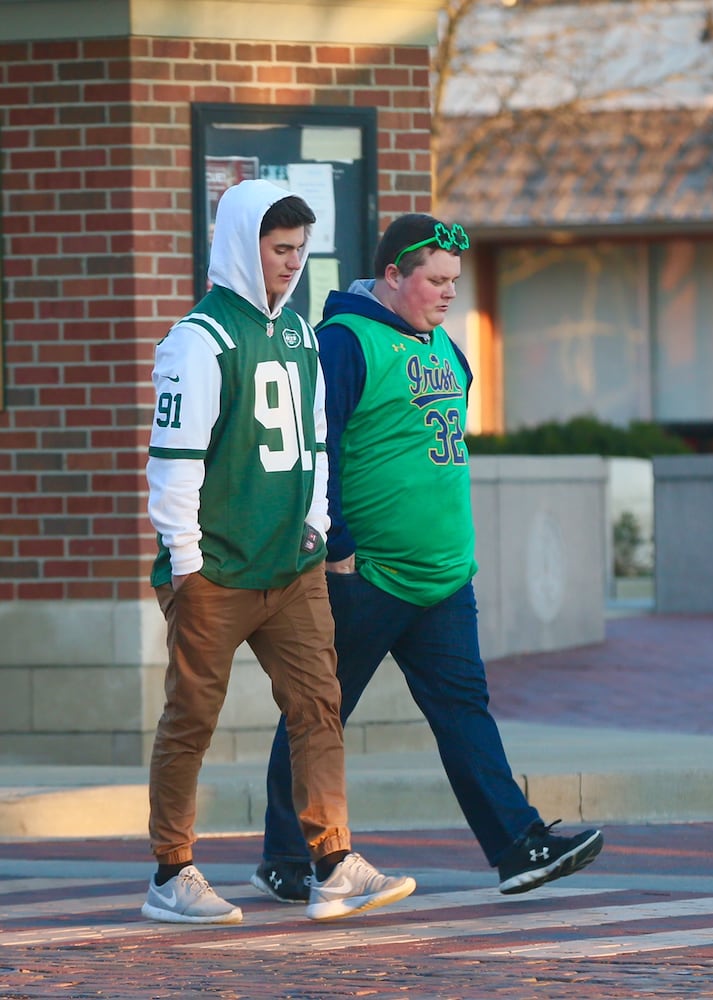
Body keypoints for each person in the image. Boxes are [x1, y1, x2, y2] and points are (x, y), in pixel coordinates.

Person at [251, 213, 603, 904]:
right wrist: (339, 544)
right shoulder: (343, 343)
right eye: (435, 281)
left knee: (463, 710)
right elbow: (314, 451)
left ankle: (517, 847)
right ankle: (288, 855)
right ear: (392, 275)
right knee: (318, 714)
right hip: (368, 576)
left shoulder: (444, 345)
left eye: (453, 282)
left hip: (442, 578)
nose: (448, 294)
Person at [142, 180, 415, 925]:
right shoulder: (199, 339)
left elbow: (318, 444)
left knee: (318, 707)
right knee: (191, 718)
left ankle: (332, 863)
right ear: (242, 245)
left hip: (291, 566)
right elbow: (173, 461)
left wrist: (319, 526)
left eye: (300, 250)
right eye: (279, 249)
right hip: (217, 571)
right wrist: (188, 557)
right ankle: (172, 873)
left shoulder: (298, 333)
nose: (292, 263)